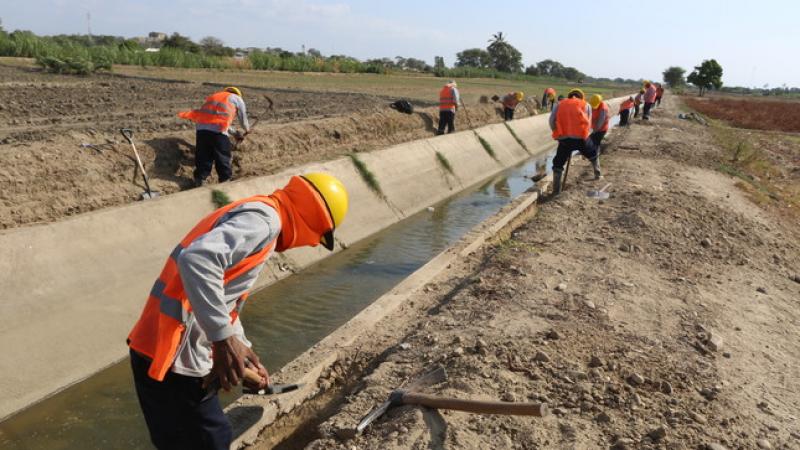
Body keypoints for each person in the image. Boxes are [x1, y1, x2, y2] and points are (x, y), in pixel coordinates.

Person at [127, 173, 349, 450]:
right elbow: (197, 259)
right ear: (315, 221)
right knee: (212, 440)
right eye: (319, 237)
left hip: (156, 348)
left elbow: (223, 299)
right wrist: (223, 340)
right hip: (175, 359)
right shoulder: (265, 222)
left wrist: (241, 347)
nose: (314, 243)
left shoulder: (259, 212)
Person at [178, 87, 250, 187]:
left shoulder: (215, 96)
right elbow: (243, 118)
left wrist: (235, 133)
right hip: (218, 132)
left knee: (203, 155)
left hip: (202, 129)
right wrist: (247, 129)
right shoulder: (237, 98)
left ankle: (200, 179)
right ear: (237, 94)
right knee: (222, 156)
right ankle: (225, 181)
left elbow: (215, 120)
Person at [549, 89, 602, 195]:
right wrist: (586, 135)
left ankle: (556, 190)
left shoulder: (559, 104)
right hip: (581, 138)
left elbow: (551, 121)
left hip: (564, 139)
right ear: (581, 97)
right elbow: (588, 123)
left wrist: (558, 133)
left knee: (558, 163)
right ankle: (598, 174)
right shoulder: (586, 105)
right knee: (593, 153)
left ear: (569, 96)